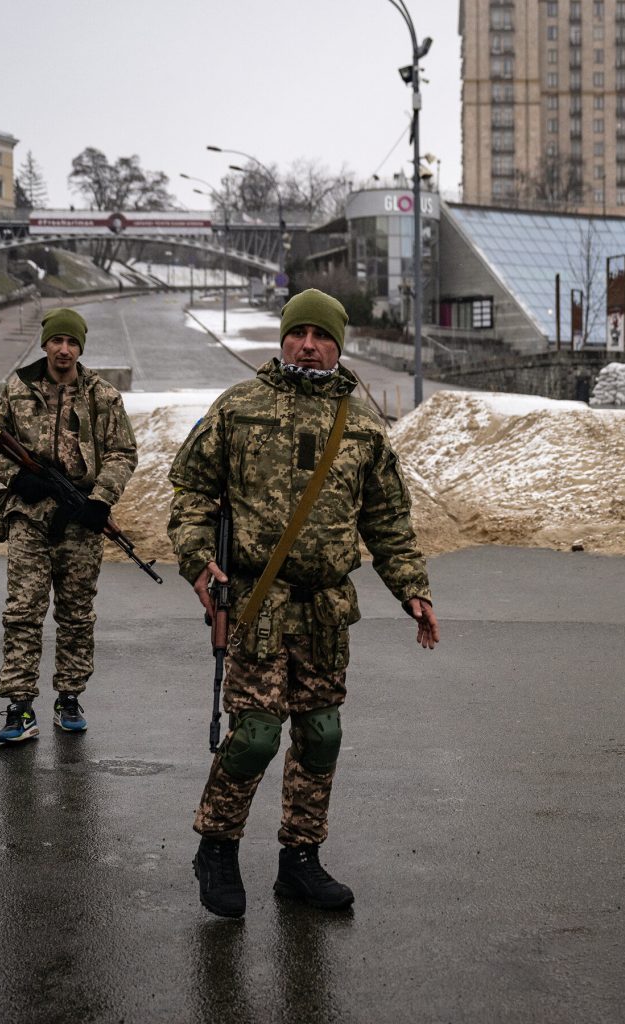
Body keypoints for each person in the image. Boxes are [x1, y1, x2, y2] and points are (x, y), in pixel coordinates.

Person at [167, 288, 439, 918]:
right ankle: (217, 847)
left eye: (321, 336)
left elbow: (388, 521)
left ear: (338, 346)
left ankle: (300, 859)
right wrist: (196, 558)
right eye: (298, 333)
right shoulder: (238, 408)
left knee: (321, 733)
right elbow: (192, 494)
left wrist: (413, 588)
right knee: (255, 735)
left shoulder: (363, 426)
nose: (308, 345)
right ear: (283, 339)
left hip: (324, 610)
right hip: (256, 603)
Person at [0, 307, 138, 742]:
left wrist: (100, 500)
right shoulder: (18, 389)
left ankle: (69, 697)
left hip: (80, 520)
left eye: (71, 342)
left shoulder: (102, 396)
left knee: (76, 615)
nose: (64, 350)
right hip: (28, 518)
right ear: (46, 344)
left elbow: (123, 453)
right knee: (22, 611)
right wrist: (17, 478)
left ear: (80, 347)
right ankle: (19, 706)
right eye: (57, 341)